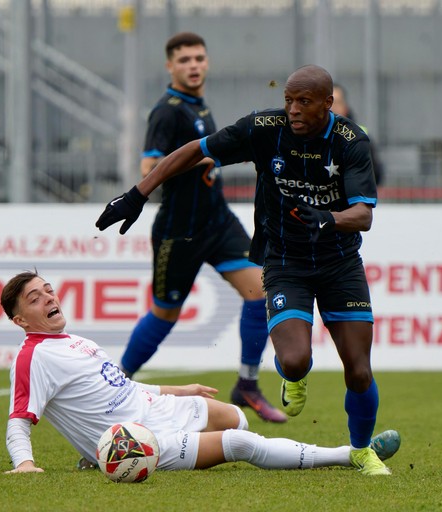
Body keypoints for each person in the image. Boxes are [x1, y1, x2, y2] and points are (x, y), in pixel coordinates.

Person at [96, 65, 391, 475]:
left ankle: (360, 450)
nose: (293, 110)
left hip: (340, 264)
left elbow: (363, 215)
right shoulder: (265, 128)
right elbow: (195, 150)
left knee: (358, 370)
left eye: (304, 102)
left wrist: (329, 217)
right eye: (288, 100)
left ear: (328, 104)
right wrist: (136, 194)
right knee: (292, 360)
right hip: (284, 261)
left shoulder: (351, 141)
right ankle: (293, 376)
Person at [1, 271, 401, 475]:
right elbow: (19, 420)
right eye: (35, 299)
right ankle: (348, 456)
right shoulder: (32, 358)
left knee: (234, 415)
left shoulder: (73, 340)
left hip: (153, 407)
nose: (49, 298)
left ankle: (106, 454)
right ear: (20, 319)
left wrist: (179, 389)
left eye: (48, 290)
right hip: (141, 440)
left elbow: (119, 386)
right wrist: (24, 464)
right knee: (242, 442)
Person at [120, 32, 287, 423]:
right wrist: (204, 159)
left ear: (207, 62)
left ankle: (247, 383)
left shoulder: (198, 106)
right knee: (165, 314)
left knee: (259, 291)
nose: (193, 65)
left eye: (198, 58)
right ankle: (118, 384)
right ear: (170, 67)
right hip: (179, 231)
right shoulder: (168, 111)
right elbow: (148, 169)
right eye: (184, 60)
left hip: (218, 221)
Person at [332, 83, 385, 186]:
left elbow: (375, 174)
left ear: (345, 107)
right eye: (329, 103)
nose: (332, 108)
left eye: (337, 103)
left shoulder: (361, 136)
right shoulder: (310, 136)